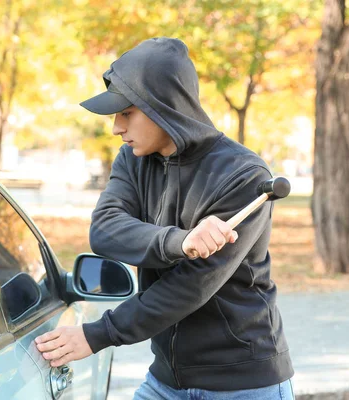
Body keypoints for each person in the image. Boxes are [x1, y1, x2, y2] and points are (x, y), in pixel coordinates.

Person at [35, 37, 294, 399]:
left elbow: (190, 287)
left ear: (163, 107)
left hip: (243, 384)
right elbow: (105, 230)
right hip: (165, 381)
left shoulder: (244, 175)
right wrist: (180, 241)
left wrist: (97, 335)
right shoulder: (133, 160)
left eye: (126, 113)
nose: (115, 128)